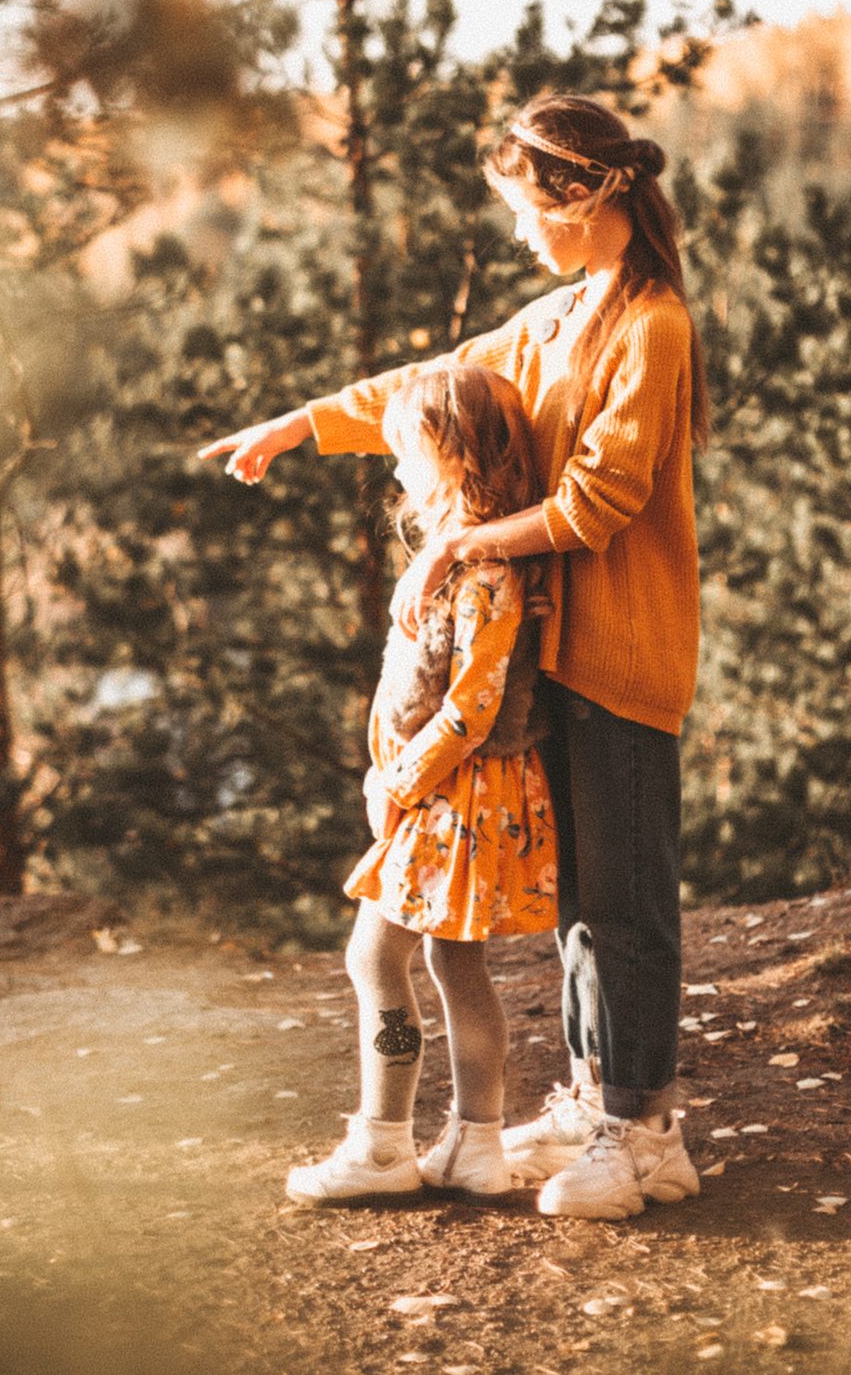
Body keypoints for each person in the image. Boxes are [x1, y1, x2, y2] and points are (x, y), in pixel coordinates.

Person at [200, 93, 708, 1221]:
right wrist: (300, 423)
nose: (521, 231)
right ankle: (592, 1097)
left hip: (620, 656)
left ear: (580, 195)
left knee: (625, 901)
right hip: (550, 658)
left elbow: (597, 503)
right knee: (582, 899)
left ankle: (647, 1132)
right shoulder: (558, 314)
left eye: (528, 207)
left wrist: (460, 543)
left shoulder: (653, 326)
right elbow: (431, 385)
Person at [279, 362, 558, 1207]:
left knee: (376, 954)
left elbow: (471, 710)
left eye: (408, 453)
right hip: (453, 797)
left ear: (454, 458)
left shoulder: (487, 575)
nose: (397, 470)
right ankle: (475, 1146)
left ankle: (382, 1145)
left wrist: (397, 782)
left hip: (456, 800)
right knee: (453, 962)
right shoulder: (463, 565)